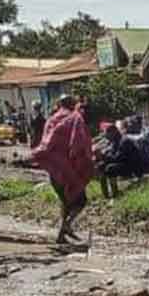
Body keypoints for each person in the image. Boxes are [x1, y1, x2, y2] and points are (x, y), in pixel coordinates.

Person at [32, 94, 94, 244]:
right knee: (80, 201)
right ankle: (67, 226)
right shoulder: (75, 118)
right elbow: (78, 142)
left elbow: (46, 143)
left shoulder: (51, 120)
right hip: (69, 169)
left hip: (55, 169)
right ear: (72, 104)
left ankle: (61, 236)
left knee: (65, 202)